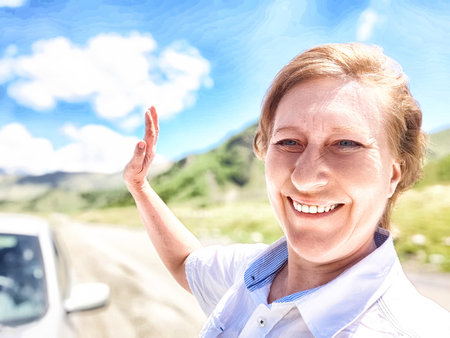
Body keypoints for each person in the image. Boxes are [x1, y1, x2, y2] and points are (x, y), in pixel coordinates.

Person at [123, 43, 450, 337]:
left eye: (346, 144)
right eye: (289, 142)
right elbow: (186, 264)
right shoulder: (251, 273)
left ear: (394, 174)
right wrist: (140, 187)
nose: (306, 179)